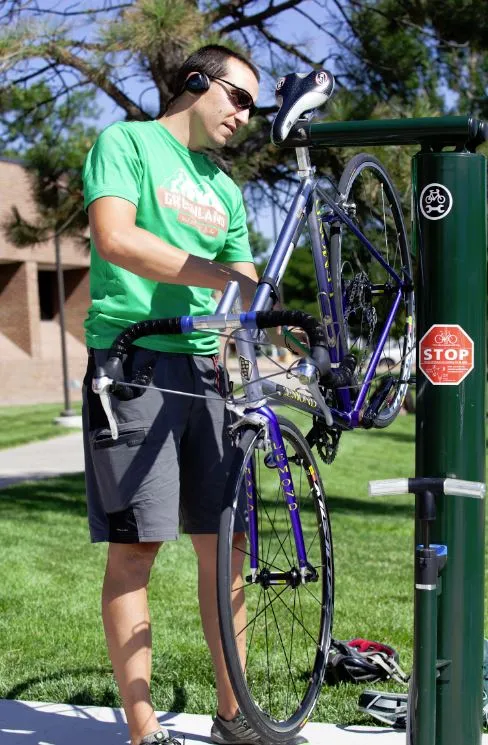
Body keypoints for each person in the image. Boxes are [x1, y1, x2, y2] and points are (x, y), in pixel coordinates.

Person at [81, 45, 264, 745]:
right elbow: (116, 237)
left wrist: (251, 323)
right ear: (194, 82)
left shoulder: (225, 189)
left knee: (230, 549)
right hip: (133, 365)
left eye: (253, 106)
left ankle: (235, 716)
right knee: (137, 549)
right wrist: (220, 279)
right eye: (237, 97)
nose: (245, 115)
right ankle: (143, 728)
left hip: (208, 377)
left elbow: (247, 283)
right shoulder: (125, 143)